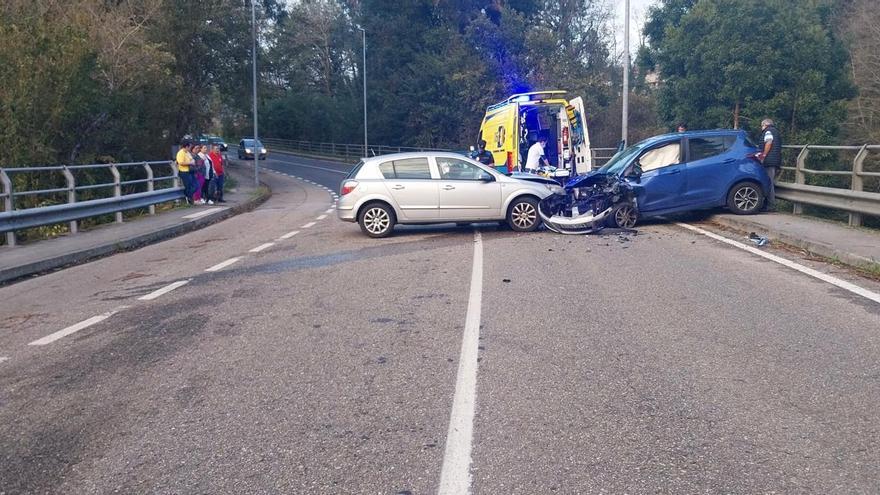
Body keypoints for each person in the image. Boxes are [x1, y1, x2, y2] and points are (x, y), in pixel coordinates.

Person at [757, 118, 782, 210]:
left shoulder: (768, 132)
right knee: (769, 182)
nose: (761, 127)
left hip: (769, 161)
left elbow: (768, 143)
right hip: (774, 160)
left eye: (761, 125)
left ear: (765, 125)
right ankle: (768, 204)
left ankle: (771, 205)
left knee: (769, 182)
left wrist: (763, 155)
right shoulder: (775, 131)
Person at [175, 140, 196, 205]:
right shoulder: (180, 153)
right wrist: (190, 163)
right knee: (188, 186)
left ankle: (188, 197)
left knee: (195, 185)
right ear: (186, 146)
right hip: (184, 171)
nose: (190, 148)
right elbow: (181, 162)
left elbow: (192, 159)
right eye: (190, 147)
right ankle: (188, 198)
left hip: (190, 171)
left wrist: (192, 161)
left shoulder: (187, 153)